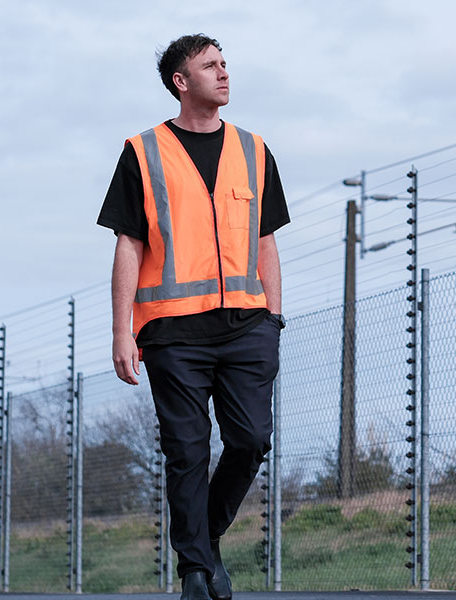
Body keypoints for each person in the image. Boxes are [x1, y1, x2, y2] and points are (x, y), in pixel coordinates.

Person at [96, 34, 289, 600]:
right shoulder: (143, 151)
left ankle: (204, 540)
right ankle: (195, 573)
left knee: (250, 440)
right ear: (181, 82)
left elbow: (266, 242)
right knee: (186, 452)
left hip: (248, 327)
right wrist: (122, 331)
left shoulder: (254, 150)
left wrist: (274, 319)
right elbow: (128, 245)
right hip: (172, 332)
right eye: (210, 66)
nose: (224, 73)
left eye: (225, 63)